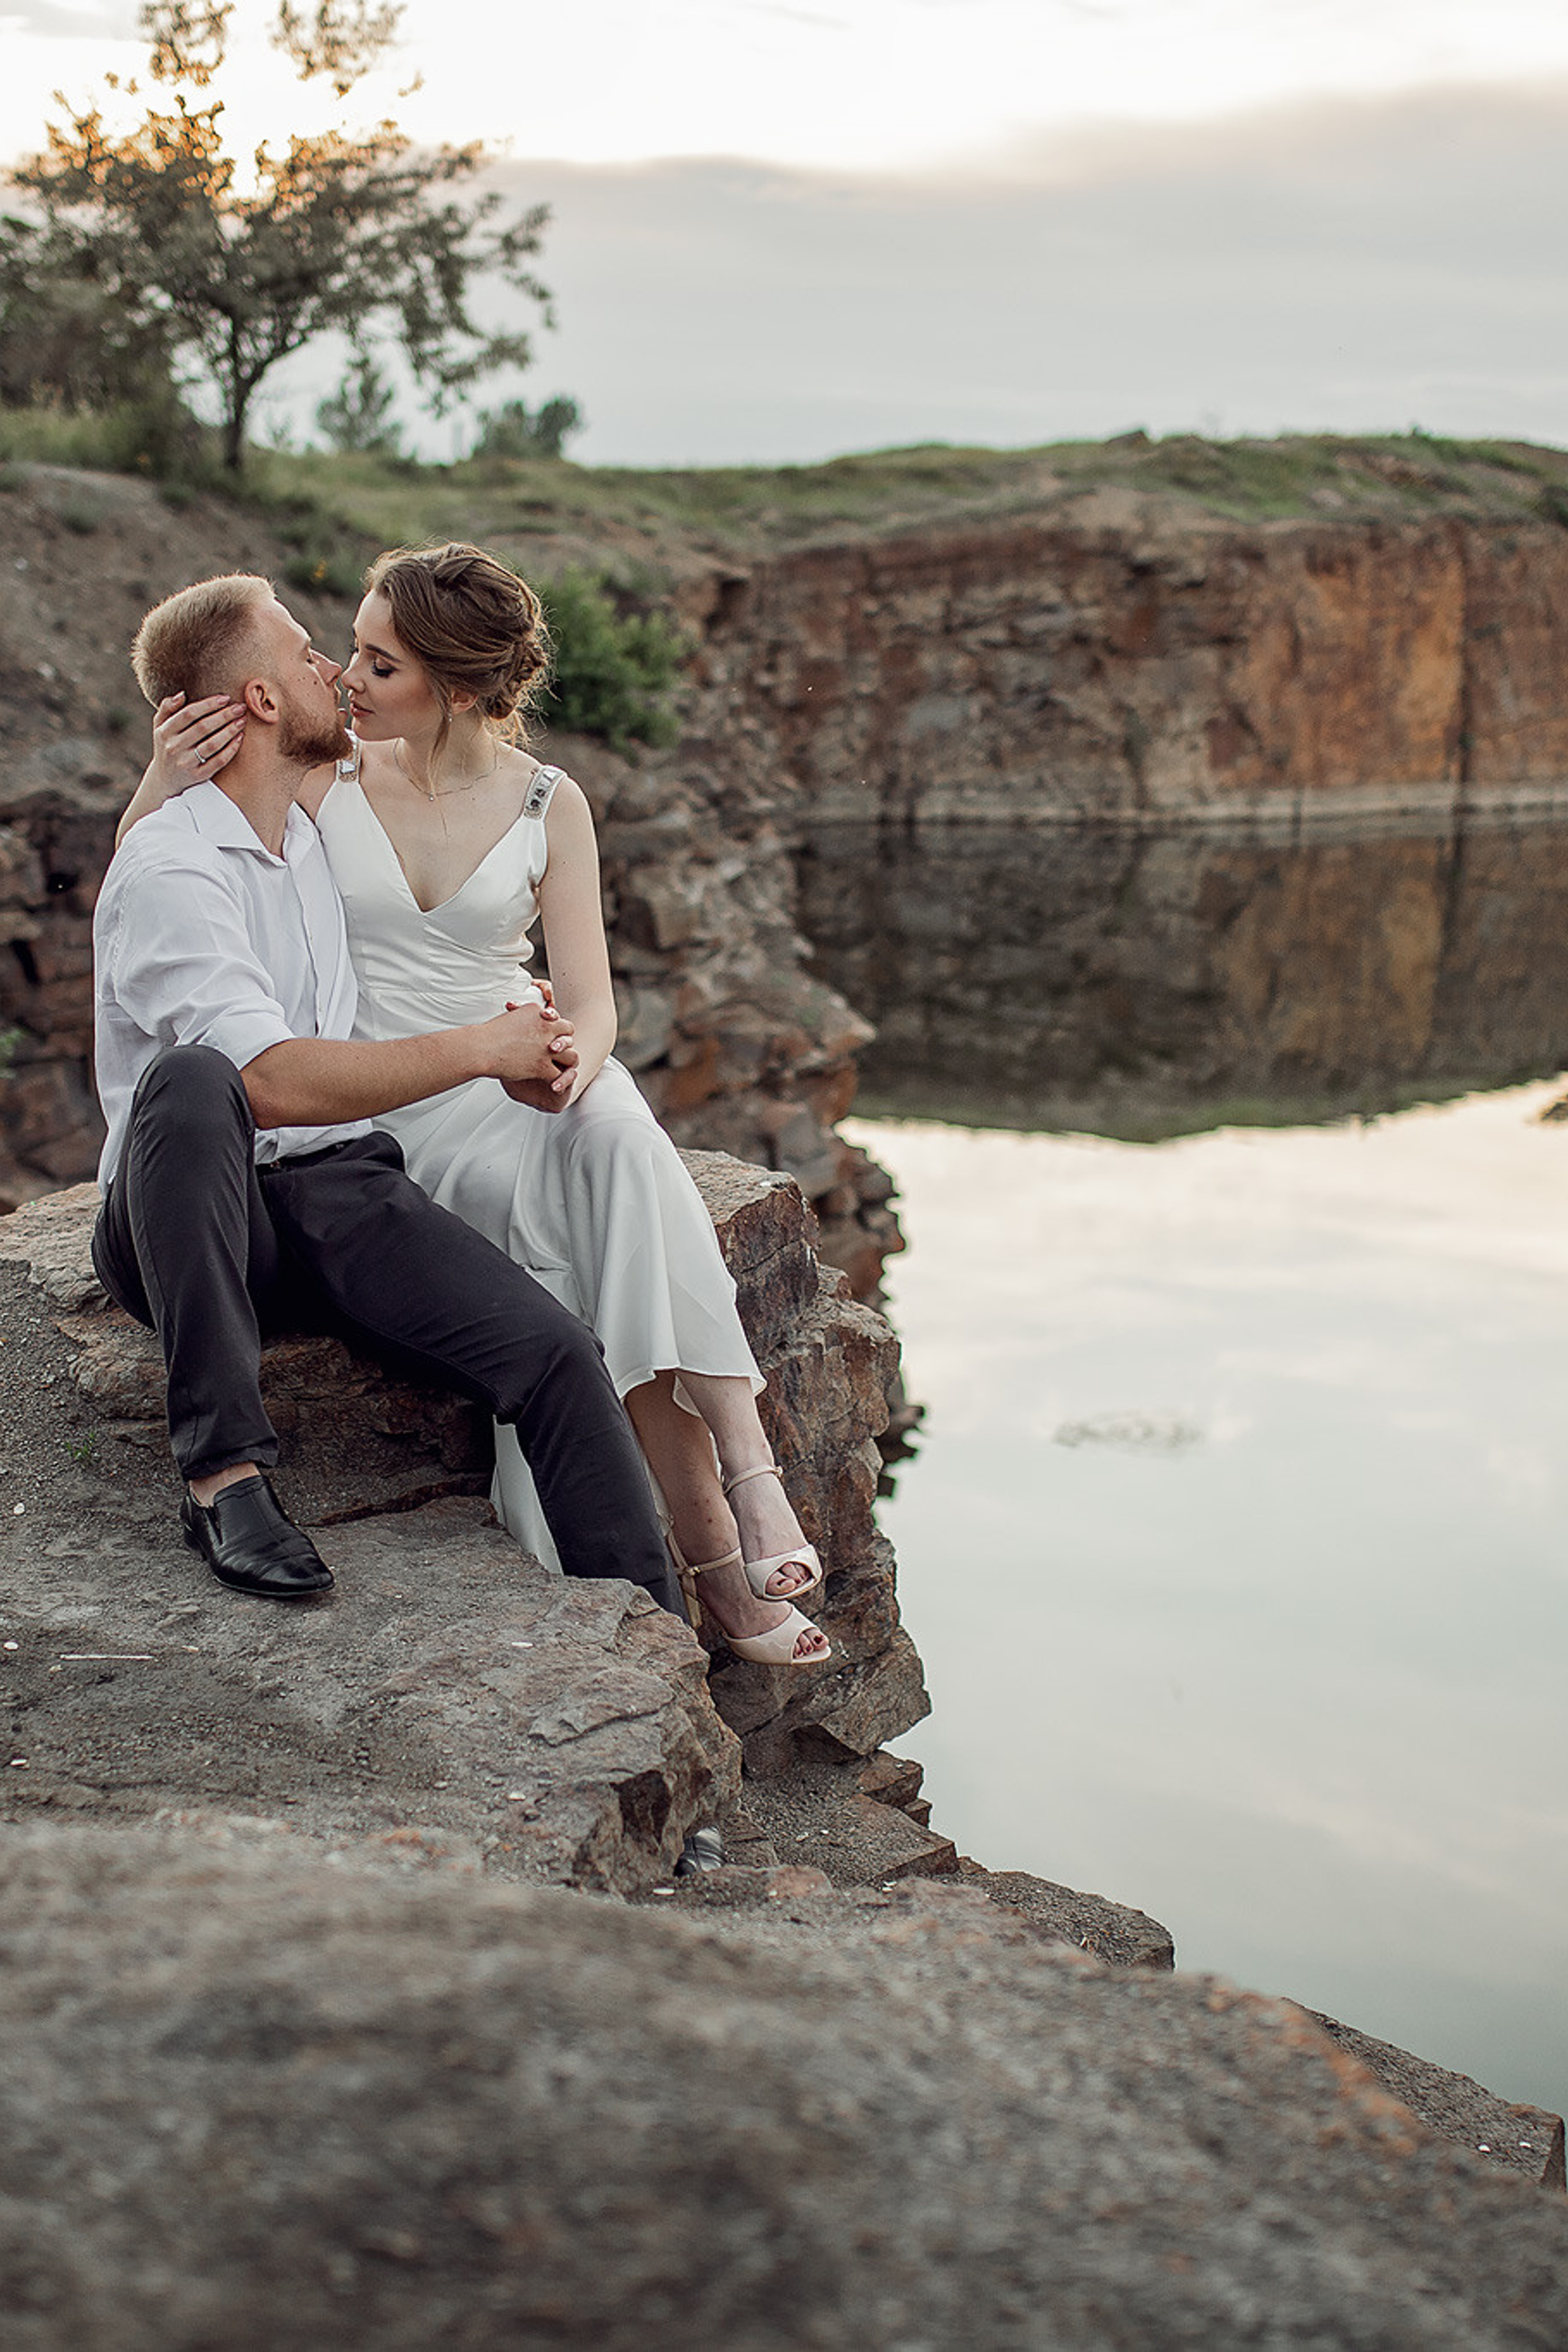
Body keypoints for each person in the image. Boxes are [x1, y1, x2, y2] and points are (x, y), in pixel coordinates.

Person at [123, 545, 830, 1668]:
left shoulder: (511, 801)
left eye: (374, 660)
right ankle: (229, 1482)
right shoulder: (306, 789)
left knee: (597, 1201)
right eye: (331, 653)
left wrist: (555, 1058)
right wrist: (160, 776)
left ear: (455, 689)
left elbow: (589, 1001)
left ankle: (703, 1560)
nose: (341, 673)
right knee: (209, 1083)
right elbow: (173, 895)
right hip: (330, 1131)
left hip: (439, 1112)